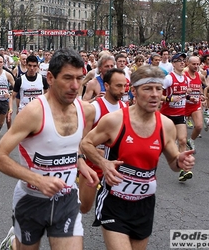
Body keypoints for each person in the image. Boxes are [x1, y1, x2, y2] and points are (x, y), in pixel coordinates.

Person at [0, 48, 98, 250]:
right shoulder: (34, 112)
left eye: (79, 78)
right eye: (67, 78)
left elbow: (75, 147)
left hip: (67, 199)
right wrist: (38, 180)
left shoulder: (86, 110)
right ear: (50, 77)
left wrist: (81, 163)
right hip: (31, 200)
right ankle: (14, 243)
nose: (75, 86)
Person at [80, 65, 195, 250]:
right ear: (133, 91)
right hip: (114, 201)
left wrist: (180, 162)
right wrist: (103, 162)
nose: (155, 94)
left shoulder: (166, 125)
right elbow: (85, 143)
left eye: (159, 89)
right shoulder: (115, 120)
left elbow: (174, 163)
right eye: (148, 89)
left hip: (144, 204)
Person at [79, 68, 127, 214]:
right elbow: (82, 141)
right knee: (84, 208)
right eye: (118, 86)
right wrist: (83, 160)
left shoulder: (125, 108)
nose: (123, 90)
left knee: (116, 211)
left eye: (125, 86)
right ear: (106, 86)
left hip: (115, 168)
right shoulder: (94, 108)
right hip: (92, 166)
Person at [159, 53, 192, 181]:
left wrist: (190, 97)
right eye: (178, 61)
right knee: (165, 143)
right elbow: (157, 93)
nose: (182, 63)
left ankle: (183, 170)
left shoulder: (186, 79)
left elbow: (183, 94)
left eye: (183, 60)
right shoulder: (169, 78)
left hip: (180, 114)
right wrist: (169, 98)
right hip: (167, 115)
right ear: (173, 64)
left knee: (183, 140)